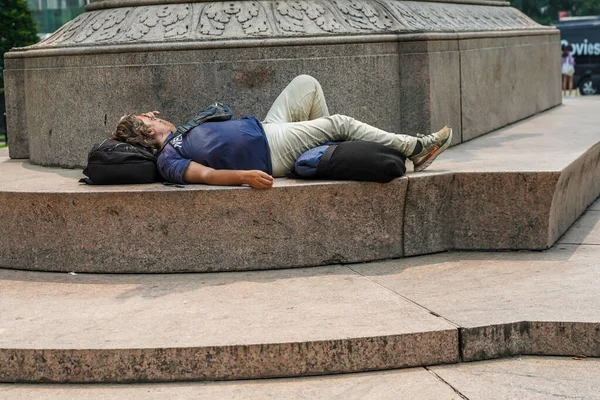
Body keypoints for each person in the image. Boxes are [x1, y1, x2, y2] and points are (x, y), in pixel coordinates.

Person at [112, 75, 452, 189]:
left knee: (306, 85)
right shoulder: (168, 158)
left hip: (267, 128)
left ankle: (326, 152)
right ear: (147, 127)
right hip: (271, 152)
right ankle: (416, 147)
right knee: (340, 123)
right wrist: (245, 177)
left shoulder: (180, 134)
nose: (159, 116)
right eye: (151, 116)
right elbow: (205, 175)